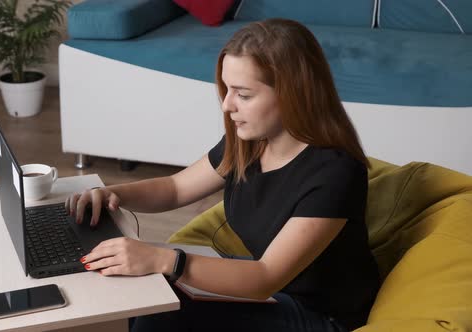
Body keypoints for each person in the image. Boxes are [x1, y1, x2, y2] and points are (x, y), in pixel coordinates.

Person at [65, 18, 380, 332]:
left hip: (320, 314)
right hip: (275, 290)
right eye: (226, 90)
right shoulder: (250, 143)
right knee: (150, 290)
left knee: (163, 312)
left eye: (243, 94)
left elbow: (265, 277)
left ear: (293, 94)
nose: (227, 105)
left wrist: (165, 260)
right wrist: (113, 194)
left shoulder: (335, 172)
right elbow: (175, 188)